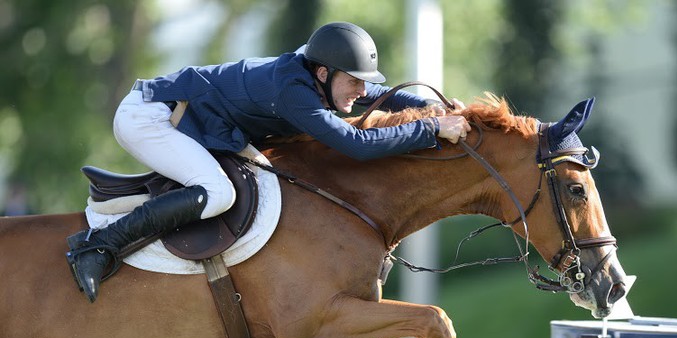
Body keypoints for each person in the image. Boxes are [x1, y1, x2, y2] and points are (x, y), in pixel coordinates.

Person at [66, 21, 471, 303]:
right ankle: (97, 246)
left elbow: (368, 98)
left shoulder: (315, 73)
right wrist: (431, 130)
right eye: (354, 80)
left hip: (196, 119)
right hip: (150, 117)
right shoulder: (294, 92)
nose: (361, 90)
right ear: (324, 72)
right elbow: (358, 145)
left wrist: (429, 106)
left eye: (364, 80)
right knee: (217, 193)